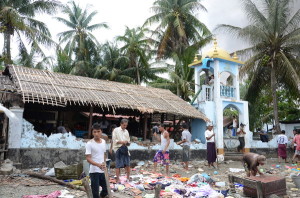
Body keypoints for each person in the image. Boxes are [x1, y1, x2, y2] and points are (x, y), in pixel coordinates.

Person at [85, 123, 108, 198]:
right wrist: (98, 165)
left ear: (101, 132)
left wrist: (104, 163)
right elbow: (88, 158)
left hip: (102, 170)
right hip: (94, 171)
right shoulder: (89, 143)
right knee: (95, 193)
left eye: (98, 131)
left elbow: (104, 154)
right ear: (92, 132)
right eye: (94, 132)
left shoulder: (103, 142)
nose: (96, 134)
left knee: (106, 189)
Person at [112, 119, 131, 183]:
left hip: (125, 148)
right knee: (118, 165)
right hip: (118, 148)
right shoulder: (116, 130)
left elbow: (128, 141)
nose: (125, 126)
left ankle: (128, 178)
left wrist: (127, 143)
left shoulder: (126, 131)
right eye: (124, 125)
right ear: (121, 124)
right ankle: (117, 179)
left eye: (126, 125)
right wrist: (122, 142)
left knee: (127, 164)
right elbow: (114, 140)